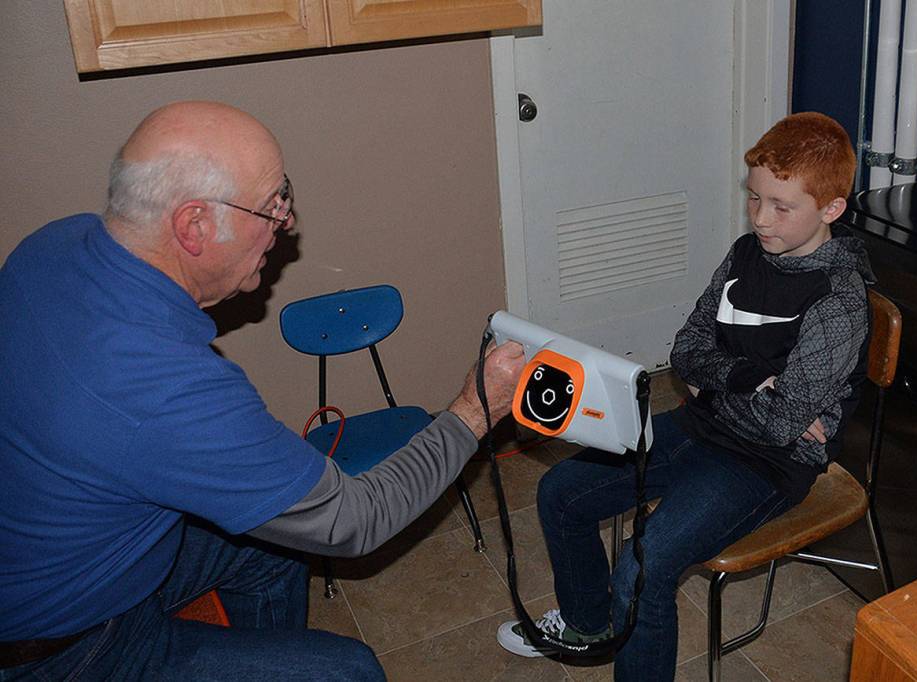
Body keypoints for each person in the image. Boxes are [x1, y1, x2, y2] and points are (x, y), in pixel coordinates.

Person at [0, 101, 525, 681]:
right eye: (272, 203)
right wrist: (476, 409)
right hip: (64, 645)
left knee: (269, 545)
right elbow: (356, 519)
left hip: (59, 551)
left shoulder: (56, 245)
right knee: (347, 672)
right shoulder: (166, 388)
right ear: (195, 226)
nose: (287, 222)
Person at [496, 111, 874, 680]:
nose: (761, 219)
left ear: (831, 209)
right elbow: (686, 347)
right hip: (703, 428)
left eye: (780, 206)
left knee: (640, 571)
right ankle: (588, 625)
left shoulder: (839, 302)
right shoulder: (747, 254)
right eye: (754, 199)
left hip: (767, 465)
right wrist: (750, 380)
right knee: (559, 492)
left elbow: (777, 428)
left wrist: (722, 384)